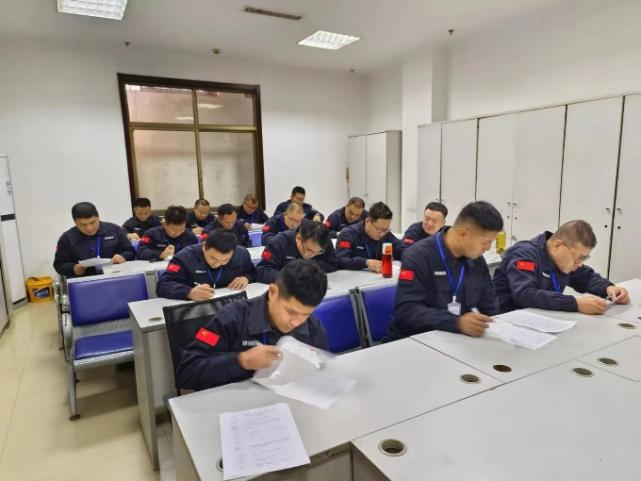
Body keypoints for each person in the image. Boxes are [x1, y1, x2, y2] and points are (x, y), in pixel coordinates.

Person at [175, 259, 329, 391]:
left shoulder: (313, 328)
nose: (296, 322)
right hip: (233, 403)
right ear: (273, 292)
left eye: (305, 314)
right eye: (290, 312)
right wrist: (241, 361)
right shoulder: (229, 317)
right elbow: (186, 371)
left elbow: (319, 369)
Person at [386, 201, 504, 341]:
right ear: (464, 233)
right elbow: (407, 309)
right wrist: (457, 322)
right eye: (485, 242)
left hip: (457, 340)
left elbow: (490, 306)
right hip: (415, 339)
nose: (488, 248)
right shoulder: (418, 256)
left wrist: (499, 327)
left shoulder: (476, 261)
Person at [493, 220, 630, 314]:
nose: (580, 263)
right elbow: (525, 294)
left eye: (584, 258)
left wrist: (608, 288)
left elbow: (586, 277)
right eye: (578, 257)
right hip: (507, 321)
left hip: (540, 319)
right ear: (558, 245)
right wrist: (575, 304)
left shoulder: (562, 260)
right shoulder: (525, 255)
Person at [156, 229, 256, 300]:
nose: (217, 264)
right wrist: (188, 292)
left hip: (231, 303)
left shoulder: (242, 254)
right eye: (213, 258)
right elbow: (163, 285)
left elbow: (253, 273)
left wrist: (246, 278)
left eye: (225, 260)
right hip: (196, 306)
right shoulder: (183, 257)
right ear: (204, 247)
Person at [54, 202, 134, 277]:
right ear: (75, 222)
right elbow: (59, 265)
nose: (89, 228)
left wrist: (123, 257)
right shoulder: (67, 238)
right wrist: (72, 268)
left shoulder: (114, 230)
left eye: (92, 222)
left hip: (115, 275)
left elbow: (130, 251)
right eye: (83, 225)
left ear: (98, 217)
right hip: (85, 280)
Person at [257, 220, 340, 284]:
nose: (312, 255)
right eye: (309, 250)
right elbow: (262, 270)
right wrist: (290, 277)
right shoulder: (278, 242)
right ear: (298, 238)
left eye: (319, 252)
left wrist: (311, 269)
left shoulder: (324, 241)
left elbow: (333, 264)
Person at [335, 201, 406, 272]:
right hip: (353, 276)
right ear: (368, 222)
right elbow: (341, 260)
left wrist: (409, 258)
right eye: (378, 229)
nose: (381, 234)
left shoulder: (386, 234)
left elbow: (402, 250)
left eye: (385, 230)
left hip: (378, 276)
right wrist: (365, 262)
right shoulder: (348, 234)